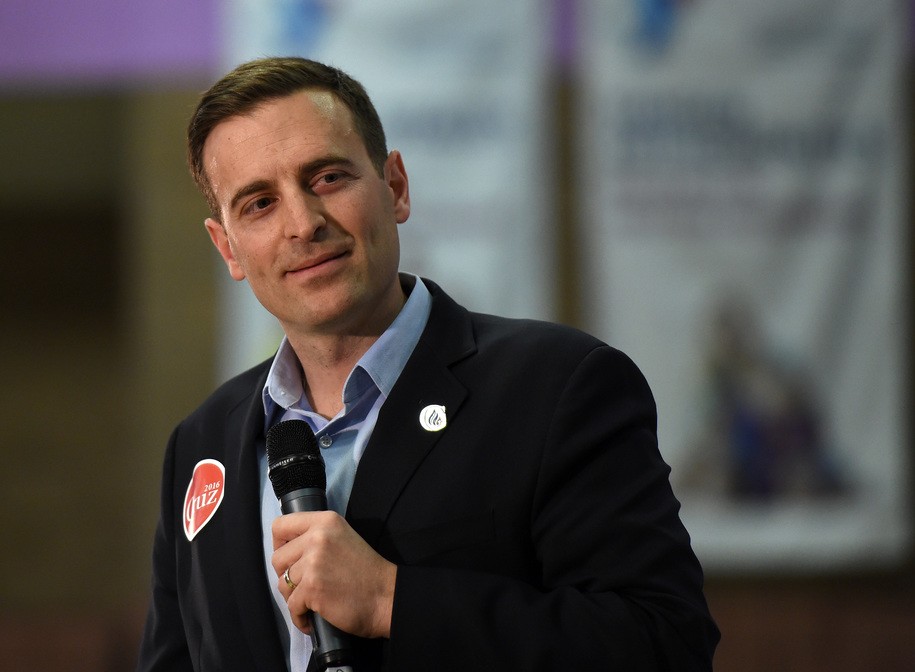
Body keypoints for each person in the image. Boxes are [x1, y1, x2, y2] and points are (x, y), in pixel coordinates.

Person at [137, 56, 719, 672]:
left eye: (328, 178)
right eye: (259, 203)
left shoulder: (558, 387)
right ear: (227, 247)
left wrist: (392, 599)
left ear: (395, 188)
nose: (303, 223)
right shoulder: (202, 445)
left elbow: (664, 643)